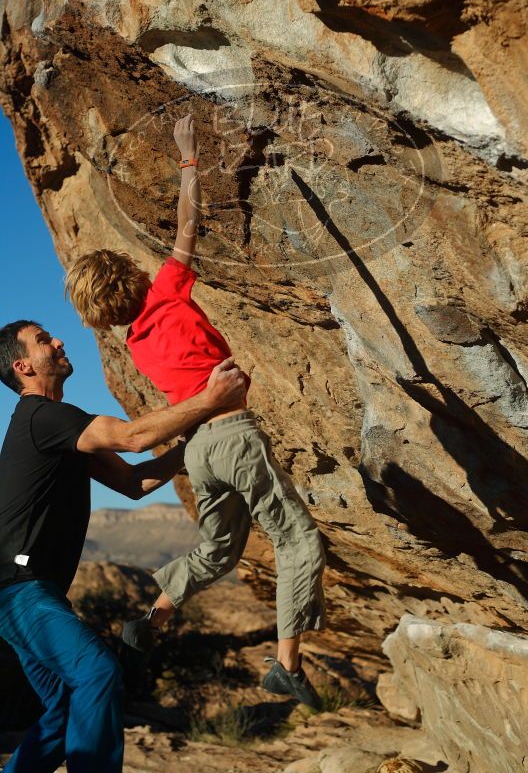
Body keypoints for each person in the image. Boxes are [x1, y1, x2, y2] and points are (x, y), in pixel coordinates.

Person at [65, 114, 327, 710]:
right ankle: (287, 664)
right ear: (129, 274)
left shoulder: (134, 340)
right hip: (231, 433)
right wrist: (188, 157)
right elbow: (190, 220)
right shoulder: (166, 292)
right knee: (297, 539)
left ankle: (154, 616)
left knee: (218, 551)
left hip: (200, 449)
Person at [0, 318, 245, 772]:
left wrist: (195, 440)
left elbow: (135, 482)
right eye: (43, 341)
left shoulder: (58, 429)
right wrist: (212, 399)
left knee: (67, 708)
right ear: (23, 367)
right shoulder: (42, 415)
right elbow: (133, 438)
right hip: (19, 590)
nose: (57, 342)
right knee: (96, 673)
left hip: (32, 591)